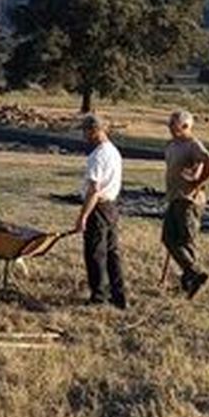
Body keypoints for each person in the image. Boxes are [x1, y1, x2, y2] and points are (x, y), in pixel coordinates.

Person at [162, 109, 209, 298]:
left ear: (186, 126)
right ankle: (192, 276)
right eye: (169, 123)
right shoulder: (172, 144)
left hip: (188, 200)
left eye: (173, 123)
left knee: (186, 241)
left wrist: (197, 183)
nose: (170, 127)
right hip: (174, 197)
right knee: (169, 238)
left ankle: (192, 279)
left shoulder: (193, 145)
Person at [74, 114, 126, 309]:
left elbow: (94, 190)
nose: (84, 135)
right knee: (112, 252)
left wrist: (83, 216)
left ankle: (99, 296)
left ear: (95, 131)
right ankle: (118, 294)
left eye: (85, 131)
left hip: (99, 207)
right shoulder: (113, 151)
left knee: (95, 253)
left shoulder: (97, 156)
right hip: (111, 207)